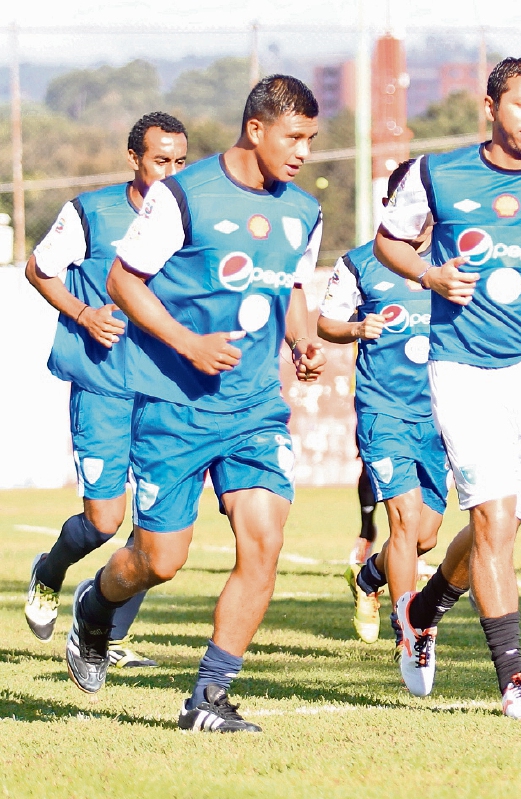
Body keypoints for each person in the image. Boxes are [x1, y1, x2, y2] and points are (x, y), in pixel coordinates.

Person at [66, 75, 326, 734]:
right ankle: (95, 606)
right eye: (293, 137)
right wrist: (187, 341)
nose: (302, 152)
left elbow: (289, 285)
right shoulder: (185, 195)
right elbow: (124, 280)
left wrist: (303, 340)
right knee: (160, 560)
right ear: (256, 128)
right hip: (173, 407)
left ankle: (207, 697)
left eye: (312, 140)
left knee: (263, 543)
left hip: (253, 409)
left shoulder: (303, 211)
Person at [373, 57, 521, 720]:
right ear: (490, 106)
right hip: (462, 367)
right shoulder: (438, 173)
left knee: (497, 528)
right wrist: (430, 276)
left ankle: (421, 610)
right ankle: (515, 678)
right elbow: (389, 241)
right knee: (493, 522)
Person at [23, 112, 188, 670]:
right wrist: (84, 312)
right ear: (133, 158)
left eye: (179, 161)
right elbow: (39, 269)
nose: (169, 172)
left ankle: (104, 635)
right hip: (103, 388)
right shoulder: (91, 212)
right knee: (103, 521)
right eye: (159, 159)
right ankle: (49, 571)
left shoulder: (189, 212)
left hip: (164, 389)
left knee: (155, 523)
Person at [322, 159, 448, 650]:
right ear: (389, 208)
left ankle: (367, 579)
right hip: (384, 411)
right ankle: (409, 629)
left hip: (438, 416)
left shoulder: (450, 262)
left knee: (425, 537)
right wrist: (357, 328)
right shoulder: (360, 263)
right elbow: (326, 324)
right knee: (404, 520)